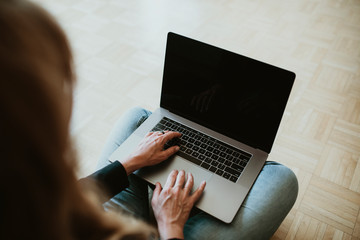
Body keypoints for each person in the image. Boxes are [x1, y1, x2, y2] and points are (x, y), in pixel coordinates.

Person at [0, 0, 298, 239]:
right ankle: (185, 211)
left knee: (140, 118)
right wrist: (170, 226)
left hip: (92, 221)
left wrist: (129, 163)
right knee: (281, 179)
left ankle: (171, 194)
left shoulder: (24, 193)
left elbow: (64, 204)